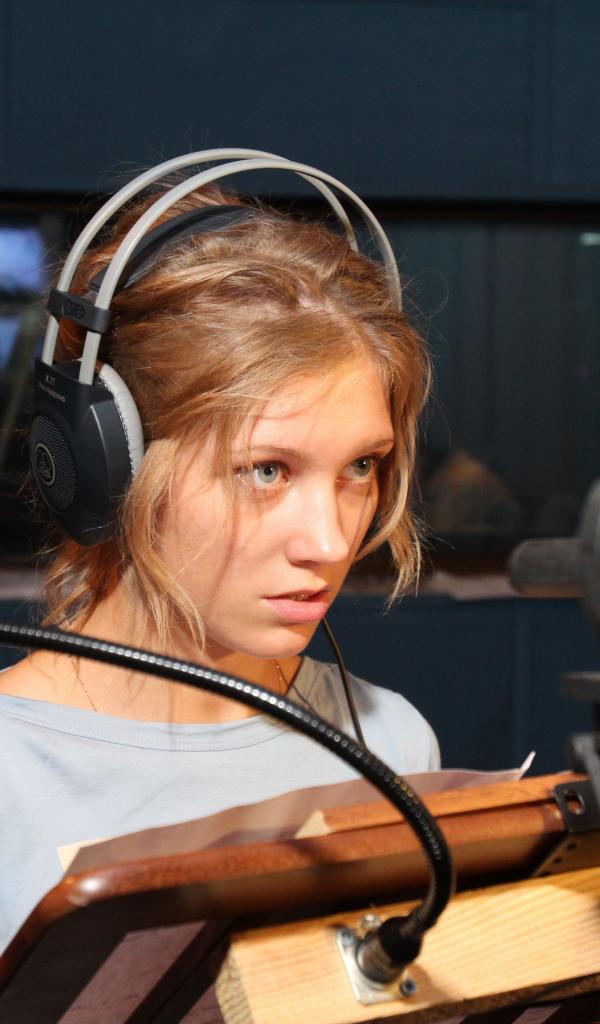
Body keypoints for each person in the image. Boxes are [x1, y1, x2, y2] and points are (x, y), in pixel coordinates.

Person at [0, 172, 439, 951]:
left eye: (360, 467)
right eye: (266, 470)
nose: (330, 543)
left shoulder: (393, 747)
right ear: (109, 463)